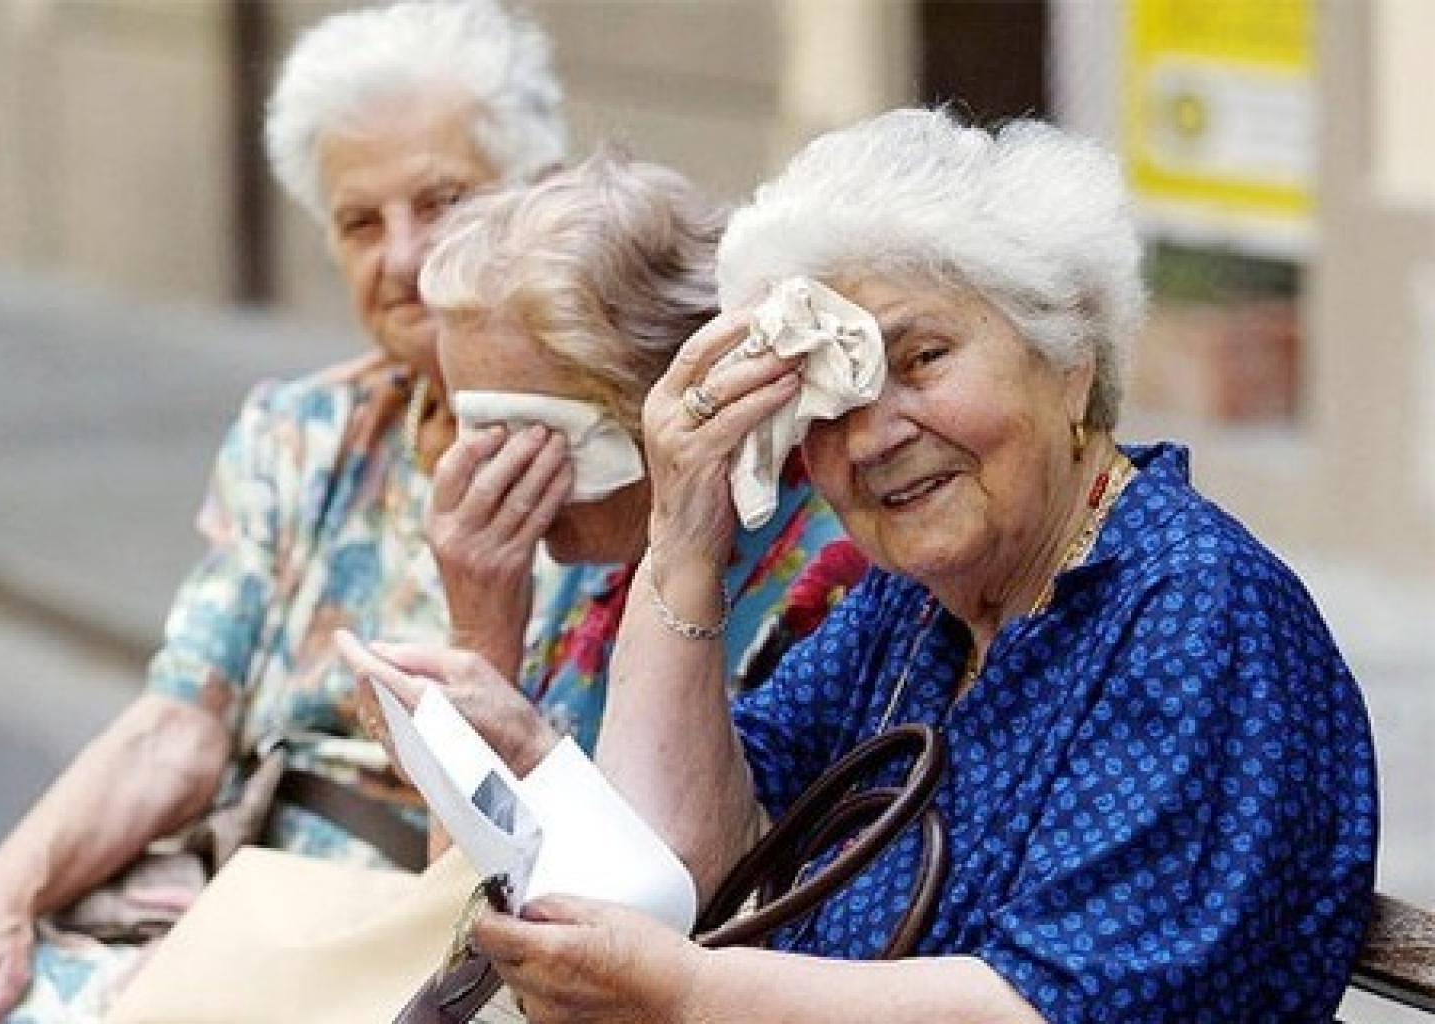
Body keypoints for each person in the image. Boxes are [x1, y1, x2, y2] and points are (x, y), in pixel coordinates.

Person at [388, 110, 1378, 1020]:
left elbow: (1051, 1006)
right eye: (825, 399)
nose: (869, 437)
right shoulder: (911, 611)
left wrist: (691, 990)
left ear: (1068, 359)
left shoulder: (1194, 608)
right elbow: (678, 862)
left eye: (922, 359)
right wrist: (683, 538)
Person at [0, 3, 567, 1022]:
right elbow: (178, 725)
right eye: (360, 221)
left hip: (410, 937)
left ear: (532, 202)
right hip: (227, 887)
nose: (400, 258)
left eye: (441, 202)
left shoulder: (601, 472)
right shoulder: (304, 430)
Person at [361, 150, 852, 775]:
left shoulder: (826, 583)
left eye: (524, 432)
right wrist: (481, 639)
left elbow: (689, 865)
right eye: (470, 426)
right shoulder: (600, 550)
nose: (484, 467)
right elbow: (470, 874)